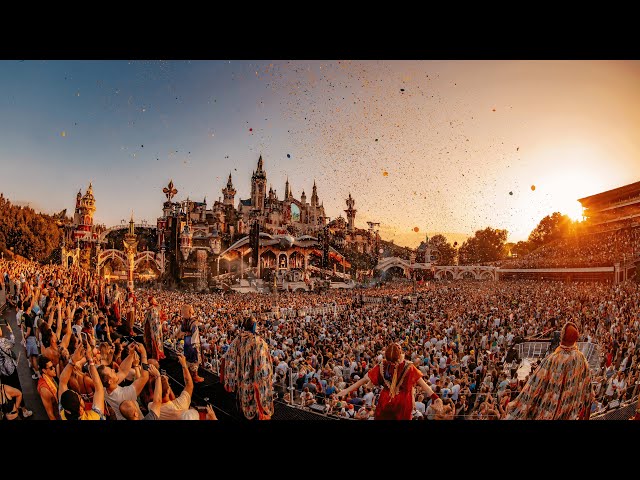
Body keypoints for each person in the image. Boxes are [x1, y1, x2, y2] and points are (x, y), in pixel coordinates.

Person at [505, 322, 593, 420]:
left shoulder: (553, 359)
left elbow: (534, 386)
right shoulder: (581, 358)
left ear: (563, 337)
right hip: (570, 414)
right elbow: (588, 389)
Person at [337, 342, 443, 420]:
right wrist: (436, 398)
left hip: (386, 401)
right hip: (403, 403)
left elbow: (363, 380)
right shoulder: (409, 367)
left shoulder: (382, 366)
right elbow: (423, 384)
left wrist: (345, 391)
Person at [222, 316, 274, 420]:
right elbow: (263, 366)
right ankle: (259, 414)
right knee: (255, 396)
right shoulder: (258, 342)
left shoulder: (238, 339)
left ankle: (246, 411)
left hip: (241, 376)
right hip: (253, 377)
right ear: (254, 326)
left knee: (244, 396)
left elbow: (228, 357)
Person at [58, 341, 106, 420]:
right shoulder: (95, 417)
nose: (79, 395)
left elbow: (62, 382)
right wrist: (90, 359)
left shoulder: (63, 414)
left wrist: (73, 360)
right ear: (80, 409)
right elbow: (99, 389)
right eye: (79, 397)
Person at [147, 353, 194, 420]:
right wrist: (184, 365)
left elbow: (157, 399)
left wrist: (158, 378)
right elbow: (189, 384)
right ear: (168, 390)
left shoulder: (151, 406)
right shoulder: (181, 404)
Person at [175, 304, 204, 383]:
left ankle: (188, 374)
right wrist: (195, 344)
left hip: (186, 340)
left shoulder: (185, 321)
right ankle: (194, 376)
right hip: (192, 341)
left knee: (188, 357)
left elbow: (179, 330)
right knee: (194, 359)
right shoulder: (193, 322)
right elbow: (195, 333)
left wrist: (175, 335)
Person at [143, 296, 165, 361]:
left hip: (154, 328)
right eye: (154, 299)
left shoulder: (153, 308)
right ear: (151, 301)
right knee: (155, 342)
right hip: (154, 329)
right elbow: (154, 320)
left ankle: (153, 355)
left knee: (154, 342)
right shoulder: (153, 309)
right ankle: (155, 357)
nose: (156, 300)